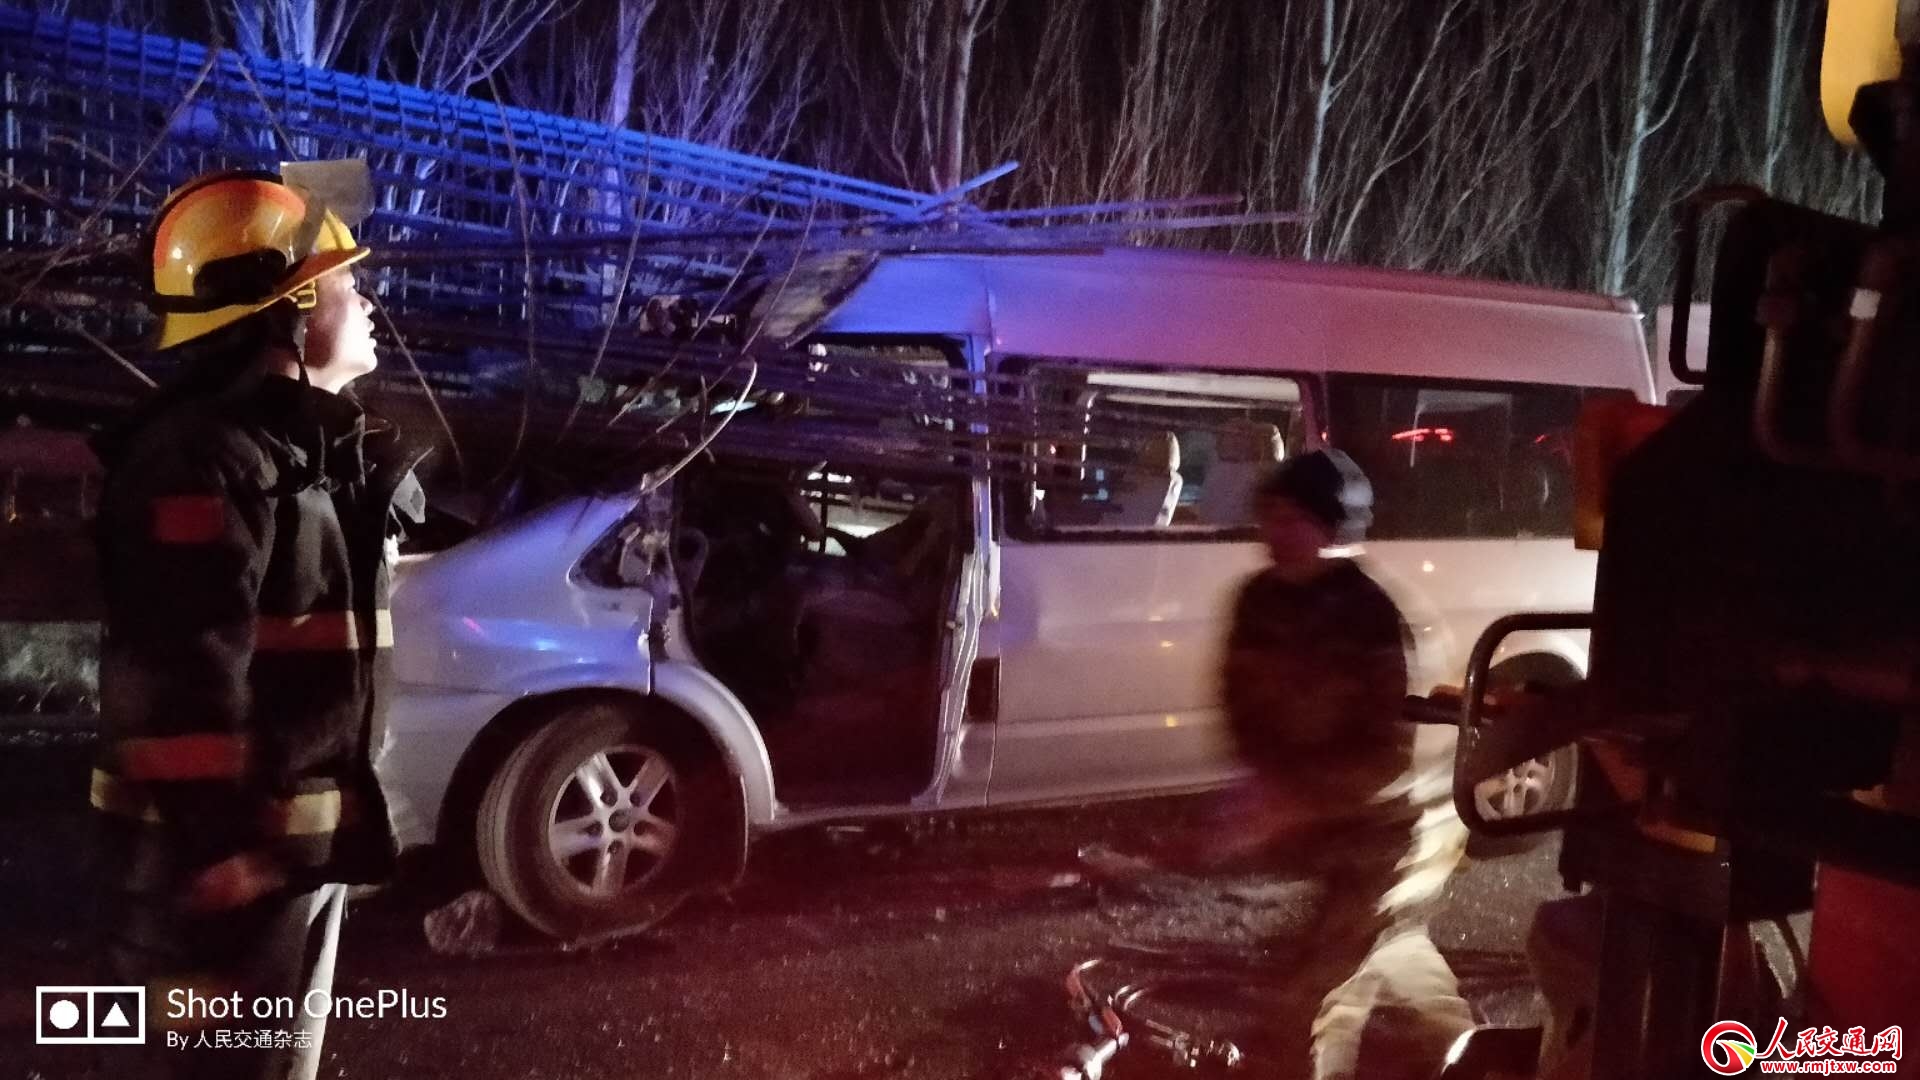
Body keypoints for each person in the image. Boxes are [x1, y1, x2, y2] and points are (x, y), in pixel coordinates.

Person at [89, 167, 425, 1080]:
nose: (369, 304)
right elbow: (178, 672)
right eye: (348, 285)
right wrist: (225, 850)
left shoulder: (295, 452)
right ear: (292, 309)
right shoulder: (203, 460)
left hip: (284, 855)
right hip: (214, 869)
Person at [1217, 449, 1473, 1079]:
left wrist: (1300, 800)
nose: (1273, 532)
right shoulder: (1260, 600)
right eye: (1268, 515)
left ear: (1327, 528)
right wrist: (1262, 787)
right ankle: (1473, 1055)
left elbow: (1393, 752)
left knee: (1320, 989)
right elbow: (1242, 704)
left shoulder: (1375, 613)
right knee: (1391, 952)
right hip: (1331, 824)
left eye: (1290, 518)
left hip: (1397, 827)